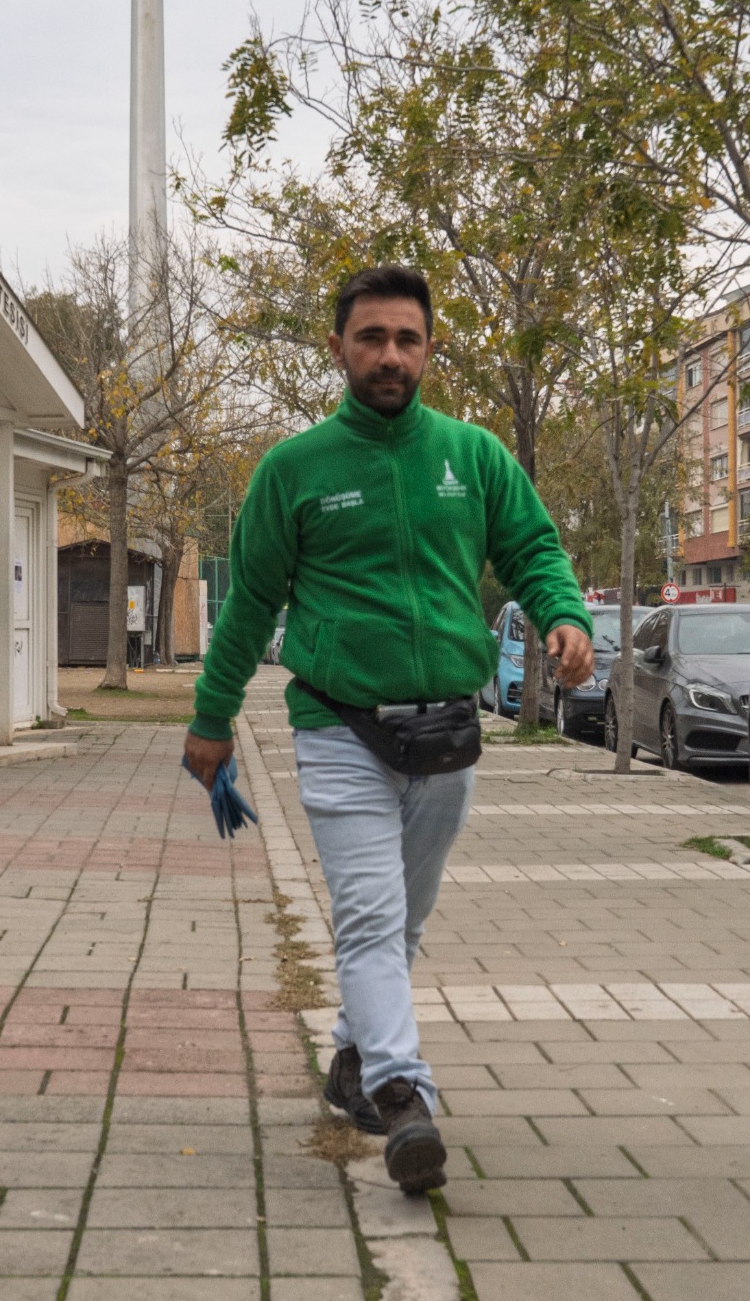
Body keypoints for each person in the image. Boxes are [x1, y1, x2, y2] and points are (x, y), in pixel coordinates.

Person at [183, 265, 594, 1194]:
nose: (390, 356)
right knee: (370, 915)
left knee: (400, 920)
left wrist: (565, 615)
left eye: (407, 339)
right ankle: (403, 1096)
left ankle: (352, 1058)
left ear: (430, 349)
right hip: (339, 727)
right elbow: (249, 605)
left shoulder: (474, 456)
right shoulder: (295, 469)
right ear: (337, 348)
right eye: (371, 337)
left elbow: (533, 548)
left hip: (448, 733)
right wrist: (211, 717)